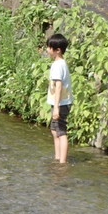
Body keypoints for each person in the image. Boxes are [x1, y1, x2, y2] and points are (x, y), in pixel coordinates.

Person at [46, 33, 72, 164]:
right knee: (54, 130)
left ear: (58, 50)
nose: (47, 50)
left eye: (50, 47)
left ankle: (62, 162)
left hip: (61, 103)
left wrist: (56, 107)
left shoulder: (58, 65)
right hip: (60, 102)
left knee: (61, 131)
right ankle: (57, 157)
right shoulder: (60, 63)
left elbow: (58, 87)